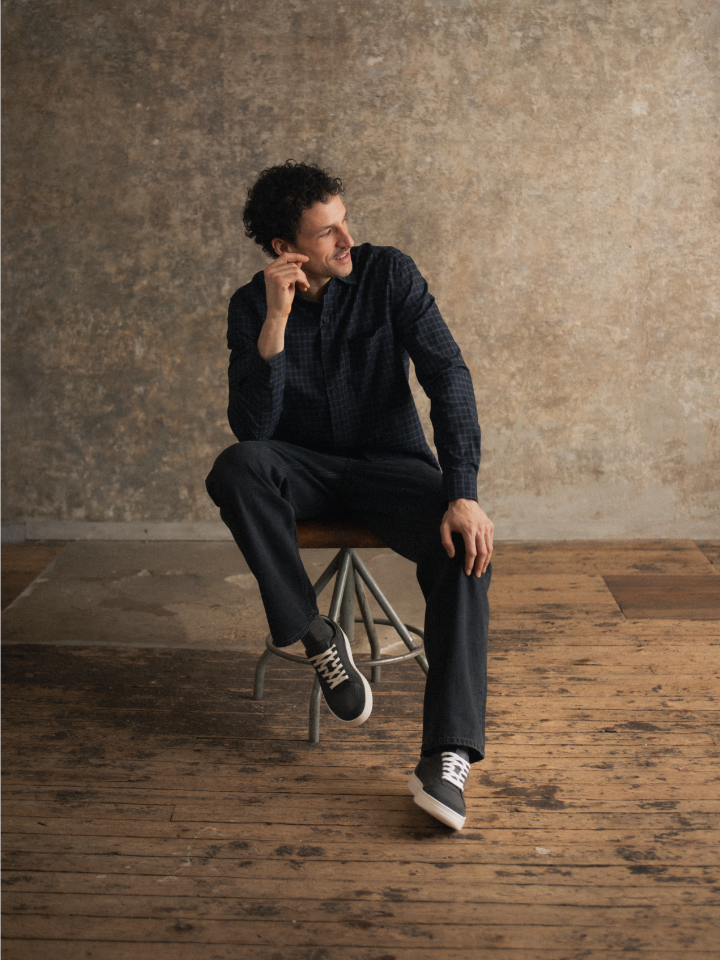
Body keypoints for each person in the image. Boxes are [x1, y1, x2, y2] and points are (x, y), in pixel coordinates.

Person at [206, 160, 493, 831]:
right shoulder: (251, 305)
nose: (347, 241)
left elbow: (447, 375)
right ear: (286, 249)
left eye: (345, 223)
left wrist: (464, 491)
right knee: (236, 467)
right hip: (302, 470)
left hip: (391, 467)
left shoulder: (389, 274)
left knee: (466, 549)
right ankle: (313, 633)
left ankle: (447, 757)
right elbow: (254, 431)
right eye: (327, 232)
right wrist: (275, 322)